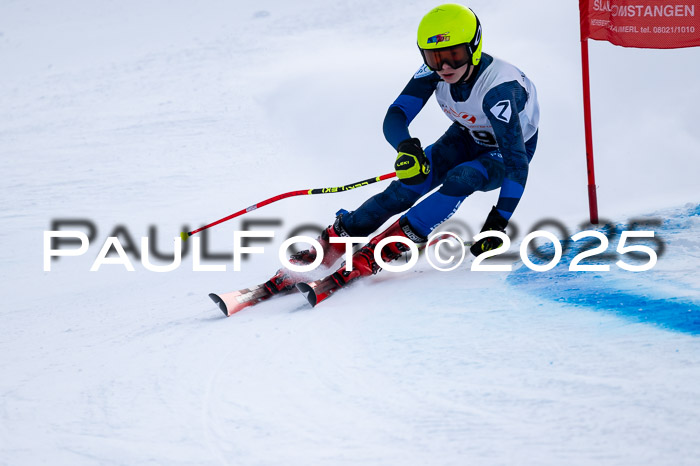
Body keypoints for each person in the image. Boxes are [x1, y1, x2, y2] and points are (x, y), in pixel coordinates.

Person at [265, 3, 540, 294]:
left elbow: (516, 163)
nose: (444, 67)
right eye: (434, 57)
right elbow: (396, 114)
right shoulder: (434, 71)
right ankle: (333, 241)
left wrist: (498, 222)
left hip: (506, 151)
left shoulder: (499, 91)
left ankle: (379, 252)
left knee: (463, 178)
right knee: (407, 186)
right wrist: (406, 147)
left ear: (474, 46)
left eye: (454, 56)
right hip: (464, 136)